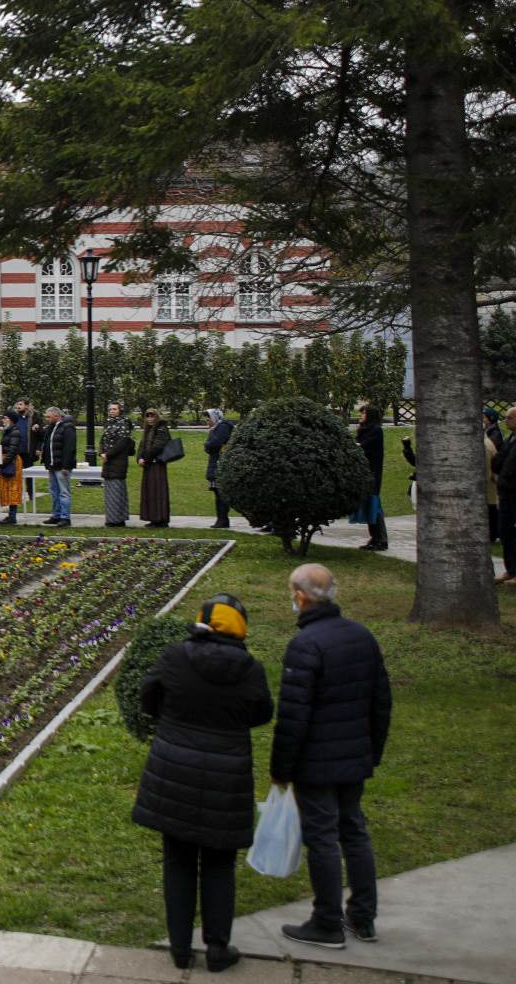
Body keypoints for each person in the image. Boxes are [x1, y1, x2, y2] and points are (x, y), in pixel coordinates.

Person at [131, 595, 274, 973]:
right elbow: (262, 712)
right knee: (219, 862)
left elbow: (148, 696)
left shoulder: (176, 656)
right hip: (226, 775)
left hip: (174, 767)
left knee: (177, 859)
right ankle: (217, 947)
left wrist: (174, 719)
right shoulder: (249, 669)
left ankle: (180, 948)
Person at [272, 563, 392, 951]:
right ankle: (364, 916)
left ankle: (327, 921)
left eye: (292, 591)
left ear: (301, 596)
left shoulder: (306, 644)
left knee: (322, 836)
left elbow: (293, 715)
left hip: (317, 761)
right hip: (354, 755)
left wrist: (281, 770)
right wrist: (371, 750)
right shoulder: (361, 636)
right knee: (353, 830)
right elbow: (381, 702)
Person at [350, 405, 387, 550]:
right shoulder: (365, 430)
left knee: (374, 506)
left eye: (363, 413)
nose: (361, 415)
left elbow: (363, 447)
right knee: (370, 505)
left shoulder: (376, 431)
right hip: (365, 472)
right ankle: (375, 537)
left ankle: (381, 540)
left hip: (372, 474)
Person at [39, 407, 77, 526]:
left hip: (62, 466)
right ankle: (56, 515)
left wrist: (65, 466)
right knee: (54, 491)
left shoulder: (67, 427)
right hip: (52, 465)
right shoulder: (51, 428)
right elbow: (47, 443)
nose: (47, 419)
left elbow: (69, 448)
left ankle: (65, 517)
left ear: (56, 416)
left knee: (64, 492)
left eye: (48, 417)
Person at [138, 411, 173, 528]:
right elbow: (142, 446)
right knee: (150, 492)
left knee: (158, 491)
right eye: (147, 416)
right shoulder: (148, 430)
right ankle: (153, 518)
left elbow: (157, 447)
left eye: (152, 416)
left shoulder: (161, 429)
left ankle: (161, 519)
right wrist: (139, 458)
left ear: (157, 417)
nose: (149, 419)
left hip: (157, 465)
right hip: (149, 465)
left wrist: (145, 459)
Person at [103, 403, 135, 528]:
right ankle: (111, 518)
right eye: (110, 409)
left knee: (117, 490)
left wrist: (108, 454)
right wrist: (102, 452)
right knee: (109, 491)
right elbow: (103, 440)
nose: (112, 411)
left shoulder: (124, 423)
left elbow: (122, 443)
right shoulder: (108, 423)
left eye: (114, 409)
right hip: (108, 461)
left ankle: (117, 519)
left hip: (118, 461)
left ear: (120, 411)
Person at [204, 409, 236, 530]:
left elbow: (214, 443)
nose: (207, 421)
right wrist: (208, 446)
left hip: (220, 464)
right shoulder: (215, 429)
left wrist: (208, 445)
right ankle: (221, 519)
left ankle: (223, 519)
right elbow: (209, 446)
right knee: (217, 493)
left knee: (221, 493)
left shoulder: (222, 427)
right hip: (215, 463)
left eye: (209, 418)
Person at [494, 408, 516, 583]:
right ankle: (511, 569)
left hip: (513, 492)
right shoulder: (510, 439)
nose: (506, 420)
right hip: (505, 492)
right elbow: (497, 462)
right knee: (505, 531)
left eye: (509, 418)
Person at [0, 412, 26, 526]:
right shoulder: (8, 431)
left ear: (11, 420)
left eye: (5, 418)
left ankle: (12, 516)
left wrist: (3, 462)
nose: (3, 420)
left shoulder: (15, 432)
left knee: (13, 489)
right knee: (7, 488)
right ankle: (11, 515)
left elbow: (13, 450)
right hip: (7, 460)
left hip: (12, 462)